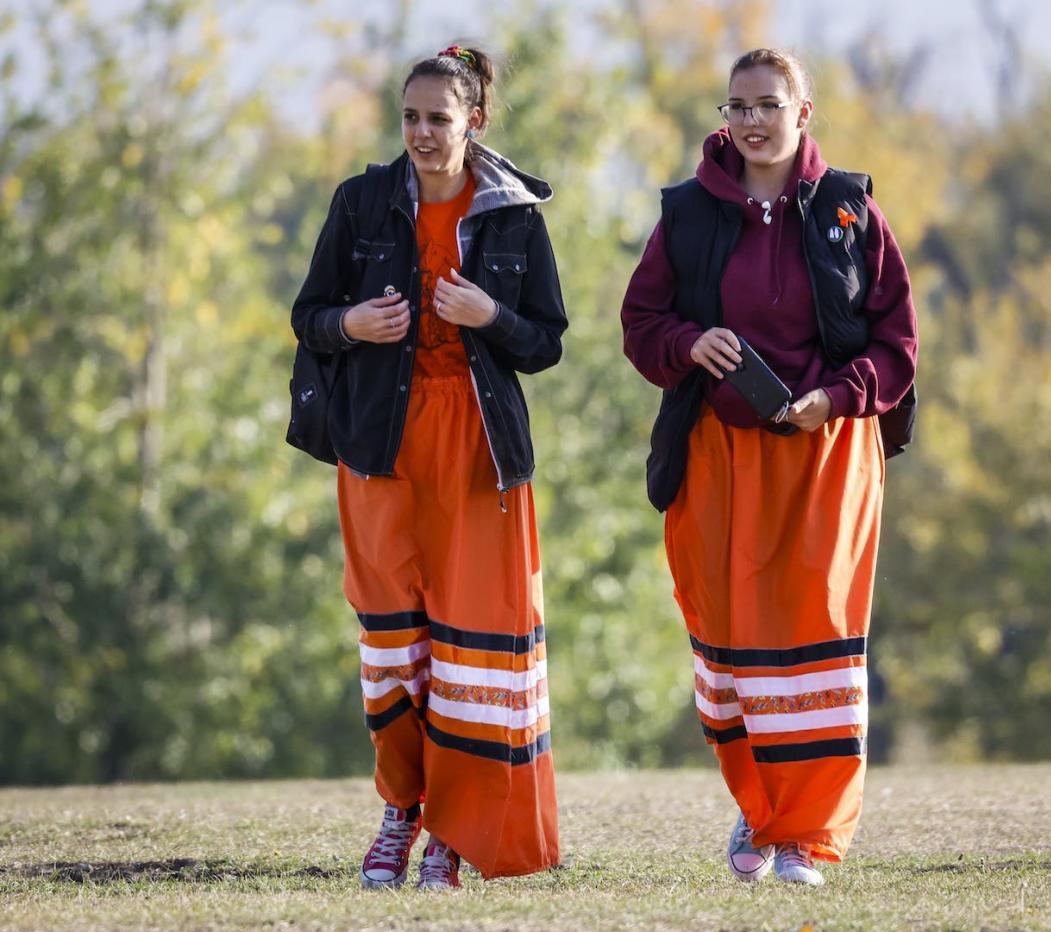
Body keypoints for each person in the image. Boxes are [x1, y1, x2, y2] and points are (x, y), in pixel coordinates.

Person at [620, 48, 917, 886]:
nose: (752, 121)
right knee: (726, 645)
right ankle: (757, 810)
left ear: (802, 113)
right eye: (737, 105)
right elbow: (642, 323)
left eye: (769, 105)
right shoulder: (685, 213)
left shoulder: (852, 210)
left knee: (815, 637)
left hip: (828, 452)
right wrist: (690, 342)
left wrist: (841, 394)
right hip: (719, 452)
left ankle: (806, 837)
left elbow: (899, 342)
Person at [291, 44, 565, 891]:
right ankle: (400, 809)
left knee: (472, 646)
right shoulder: (361, 201)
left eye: (438, 118)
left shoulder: (515, 215)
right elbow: (309, 316)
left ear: (474, 119)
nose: (420, 132)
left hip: (479, 454)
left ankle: (456, 826)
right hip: (380, 444)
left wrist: (489, 315)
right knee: (392, 640)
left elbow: (547, 342)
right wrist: (350, 326)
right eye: (409, 117)